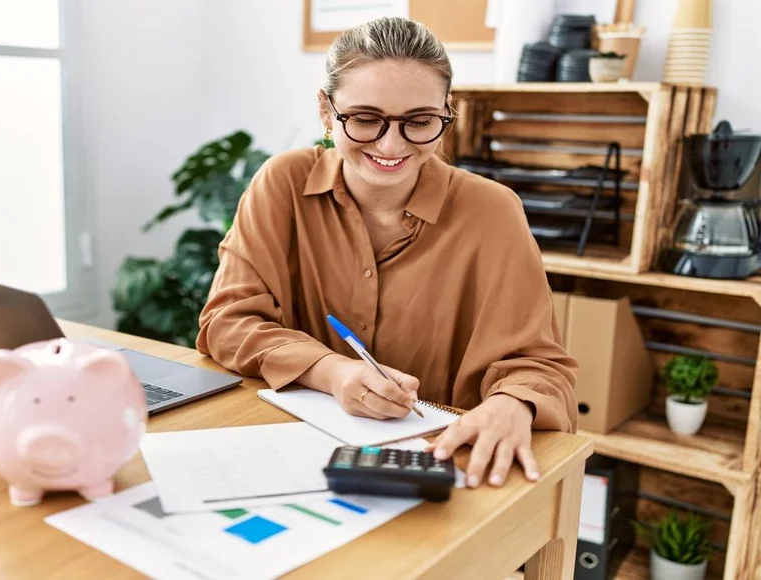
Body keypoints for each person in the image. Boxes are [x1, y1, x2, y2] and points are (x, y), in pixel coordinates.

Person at [196, 17, 578, 489]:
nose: (391, 145)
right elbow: (227, 321)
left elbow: (541, 365)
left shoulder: (493, 211)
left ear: (446, 113)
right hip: (291, 456)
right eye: (364, 119)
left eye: (419, 121)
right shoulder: (282, 185)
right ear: (325, 110)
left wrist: (513, 403)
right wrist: (330, 371)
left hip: (441, 470)